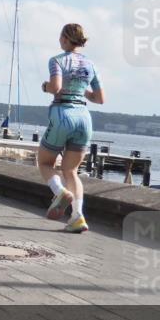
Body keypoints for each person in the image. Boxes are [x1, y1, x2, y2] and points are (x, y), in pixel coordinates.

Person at [37, 23, 105, 234]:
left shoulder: (57, 60)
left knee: (45, 162)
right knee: (71, 171)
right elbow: (100, 98)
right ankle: (77, 216)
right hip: (84, 118)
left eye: (60, 37)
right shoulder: (90, 65)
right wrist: (81, 91)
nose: (59, 40)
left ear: (66, 39)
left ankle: (59, 192)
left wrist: (45, 86)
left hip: (63, 114)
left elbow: (55, 87)